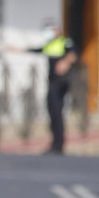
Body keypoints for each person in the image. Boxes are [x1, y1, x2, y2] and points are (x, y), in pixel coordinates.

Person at [41, 20, 77, 154]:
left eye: (52, 30)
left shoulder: (65, 41)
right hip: (52, 81)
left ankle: (58, 144)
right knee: (52, 111)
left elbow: (73, 54)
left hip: (60, 82)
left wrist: (64, 63)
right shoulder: (51, 44)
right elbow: (38, 49)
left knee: (57, 111)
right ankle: (55, 142)